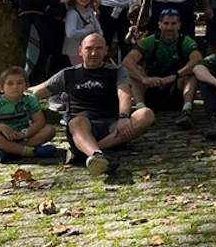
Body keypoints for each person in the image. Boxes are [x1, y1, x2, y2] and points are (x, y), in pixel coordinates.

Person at [30, 34, 155, 176]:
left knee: (146, 114)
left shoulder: (117, 71)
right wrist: (14, 90)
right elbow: (36, 92)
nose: (94, 53)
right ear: (80, 51)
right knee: (77, 121)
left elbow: (124, 94)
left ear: (106, 50)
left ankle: (86, 153)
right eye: (89, 48)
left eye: (99, 48)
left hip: (113, 128)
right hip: (82, 128)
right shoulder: (68, 74)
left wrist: (123, 116)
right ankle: (96, 154)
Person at [123, 9, 203, 129]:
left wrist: (175, 75)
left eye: (173, 24)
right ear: (159, 25)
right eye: (166, 24)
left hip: (175, 88)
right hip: (152, 87)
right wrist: (144, 79)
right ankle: (141, 109)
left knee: (192, 72)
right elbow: (127, 62)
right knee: (134, 70)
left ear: (179, 25)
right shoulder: (150, 41)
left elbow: (198, 59)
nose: (169, 28)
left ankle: (186, 111)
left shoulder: (186, 41)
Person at [0, 66, 57, 163]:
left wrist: (24, 133)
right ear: (2, 88)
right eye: (10, 83)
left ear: (26, 86)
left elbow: (39, 122)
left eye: (20, 83)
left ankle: (10, 152)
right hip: (2, 139)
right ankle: (30, 152)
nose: (15, 87)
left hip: (23, 138)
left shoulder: (30, 100)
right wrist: (1, 127)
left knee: (49, 130)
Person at [64, 0, 102, 67]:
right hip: (75, 51)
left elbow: (98, 29)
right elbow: (70, 33)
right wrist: (87, 30)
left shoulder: (90, 12)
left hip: (90, 50)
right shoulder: (72, 13)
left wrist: (97, 38)